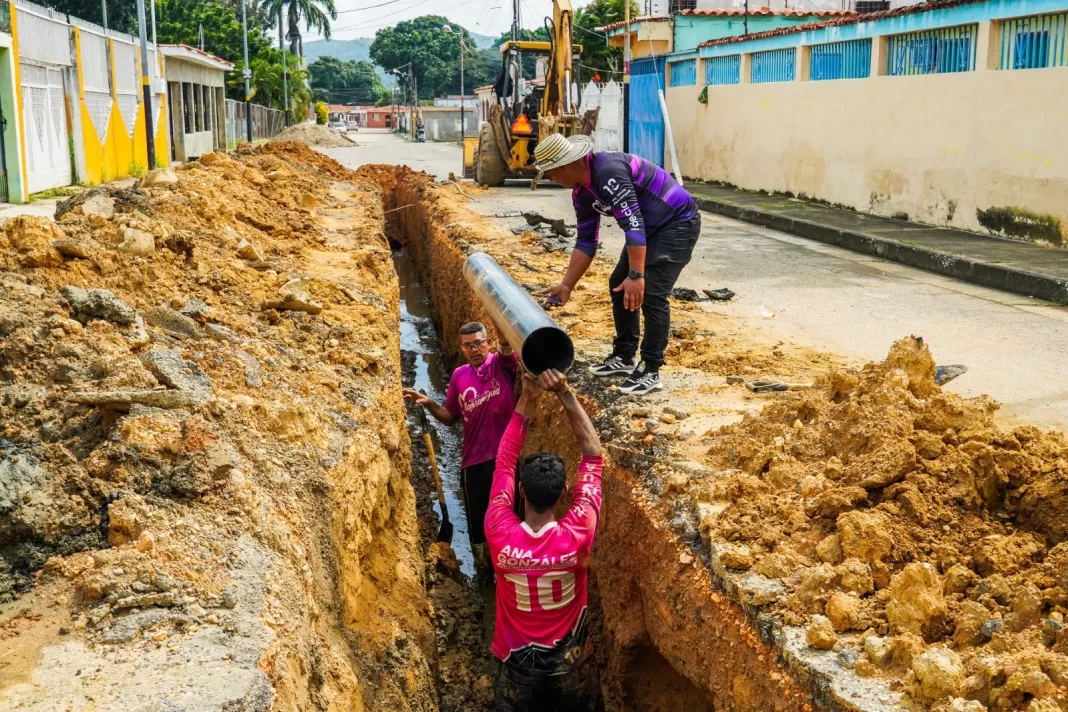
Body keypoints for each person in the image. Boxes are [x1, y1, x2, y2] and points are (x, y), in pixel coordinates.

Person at [535, 133, 702, 396]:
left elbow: (633, 224)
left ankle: (650, 368)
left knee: (652, 293)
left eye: (551, 173)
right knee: (618, 284)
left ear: (564, 166)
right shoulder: (582, 193)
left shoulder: (608, 172)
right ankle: (624, 356)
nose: (552, 180)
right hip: (649, 231)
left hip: (676, 223)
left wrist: (637, 275)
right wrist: (567, 285)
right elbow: (587, 241)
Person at [486, 368, 603, 711]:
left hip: (518, 668)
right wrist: (565, 393)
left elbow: (504, 463)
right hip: (570, 667)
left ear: (520, 491)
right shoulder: (578, 534)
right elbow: (593, 454)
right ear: (564, 493)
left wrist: (527, 397)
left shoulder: (498, 530)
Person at [404, 321, 517, 573]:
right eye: (468, 345)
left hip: (506, 461)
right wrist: (430, 403)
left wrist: (496, 310)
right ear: (462, 349)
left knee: (509, 518)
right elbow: (450, 417)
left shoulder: (502, 364)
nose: (474, 349)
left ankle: (512, 572)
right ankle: (485, 575)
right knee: (479, 528)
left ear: (488, 342)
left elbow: (507, 342)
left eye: (478, 343)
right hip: (473, 463)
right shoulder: (459, 375)